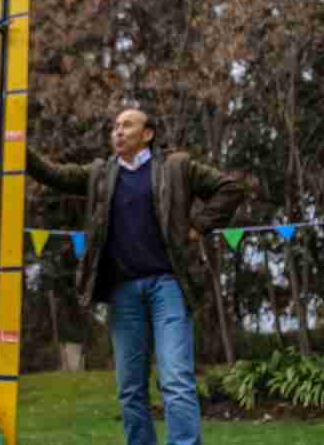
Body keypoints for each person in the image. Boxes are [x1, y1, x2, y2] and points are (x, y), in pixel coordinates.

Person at [27, 108, 245, 445]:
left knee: (175, 379)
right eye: (114, 126)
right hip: (122, 293)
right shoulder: (101, 174)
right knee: (130, 389)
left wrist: (199, 226)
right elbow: (54, 174)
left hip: (167, 286)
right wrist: (17, 149)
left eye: (127, 125)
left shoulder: (177, 167)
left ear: (148, 134)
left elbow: (230, 188)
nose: (118, 131)